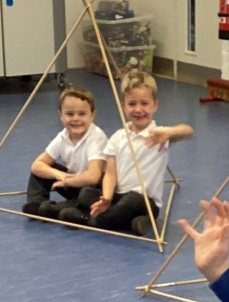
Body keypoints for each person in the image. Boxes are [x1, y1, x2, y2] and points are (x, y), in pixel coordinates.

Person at [61, 71, 193, 235]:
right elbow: (110, 174)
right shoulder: (117, 138)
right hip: (119, 197)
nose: (138, 109)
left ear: (155, 105)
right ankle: (135, 222)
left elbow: (188, 130)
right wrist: (107, 198)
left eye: (144, 103)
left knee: (132, 200)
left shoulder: (159, 134)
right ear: (123, 106)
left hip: (145, 202)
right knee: (86, 194)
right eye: (132, 104)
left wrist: (169, 133)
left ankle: (88, 220)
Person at [23, 87, 107, 219]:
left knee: (87, 195)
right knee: (41, 171)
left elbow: (93, 177)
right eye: (69, 114)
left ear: (92, 115)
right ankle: (37, 203)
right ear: (61, 115)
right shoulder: (63, 136)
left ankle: (67, 209)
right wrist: (59, 174)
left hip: (95, 188)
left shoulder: (96, 137)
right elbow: (37, 165)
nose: (76, 118)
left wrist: (66, 182)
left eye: (82, 114)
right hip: (74, 182)